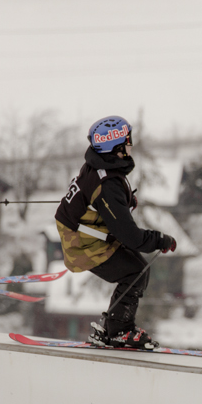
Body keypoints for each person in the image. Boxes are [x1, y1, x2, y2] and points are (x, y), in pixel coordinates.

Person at [52, 115, 178, 351]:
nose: (130, 146)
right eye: (127, 142)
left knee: (137, 269)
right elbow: (130, 236)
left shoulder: (98, 166)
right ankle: (119, 331)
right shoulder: (108, 185)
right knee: (136, 273)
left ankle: (113, 329)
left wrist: (125, 201)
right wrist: (160, 239)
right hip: (81, 242)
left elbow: (98, 198)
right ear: (115, 146)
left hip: (85, 232)